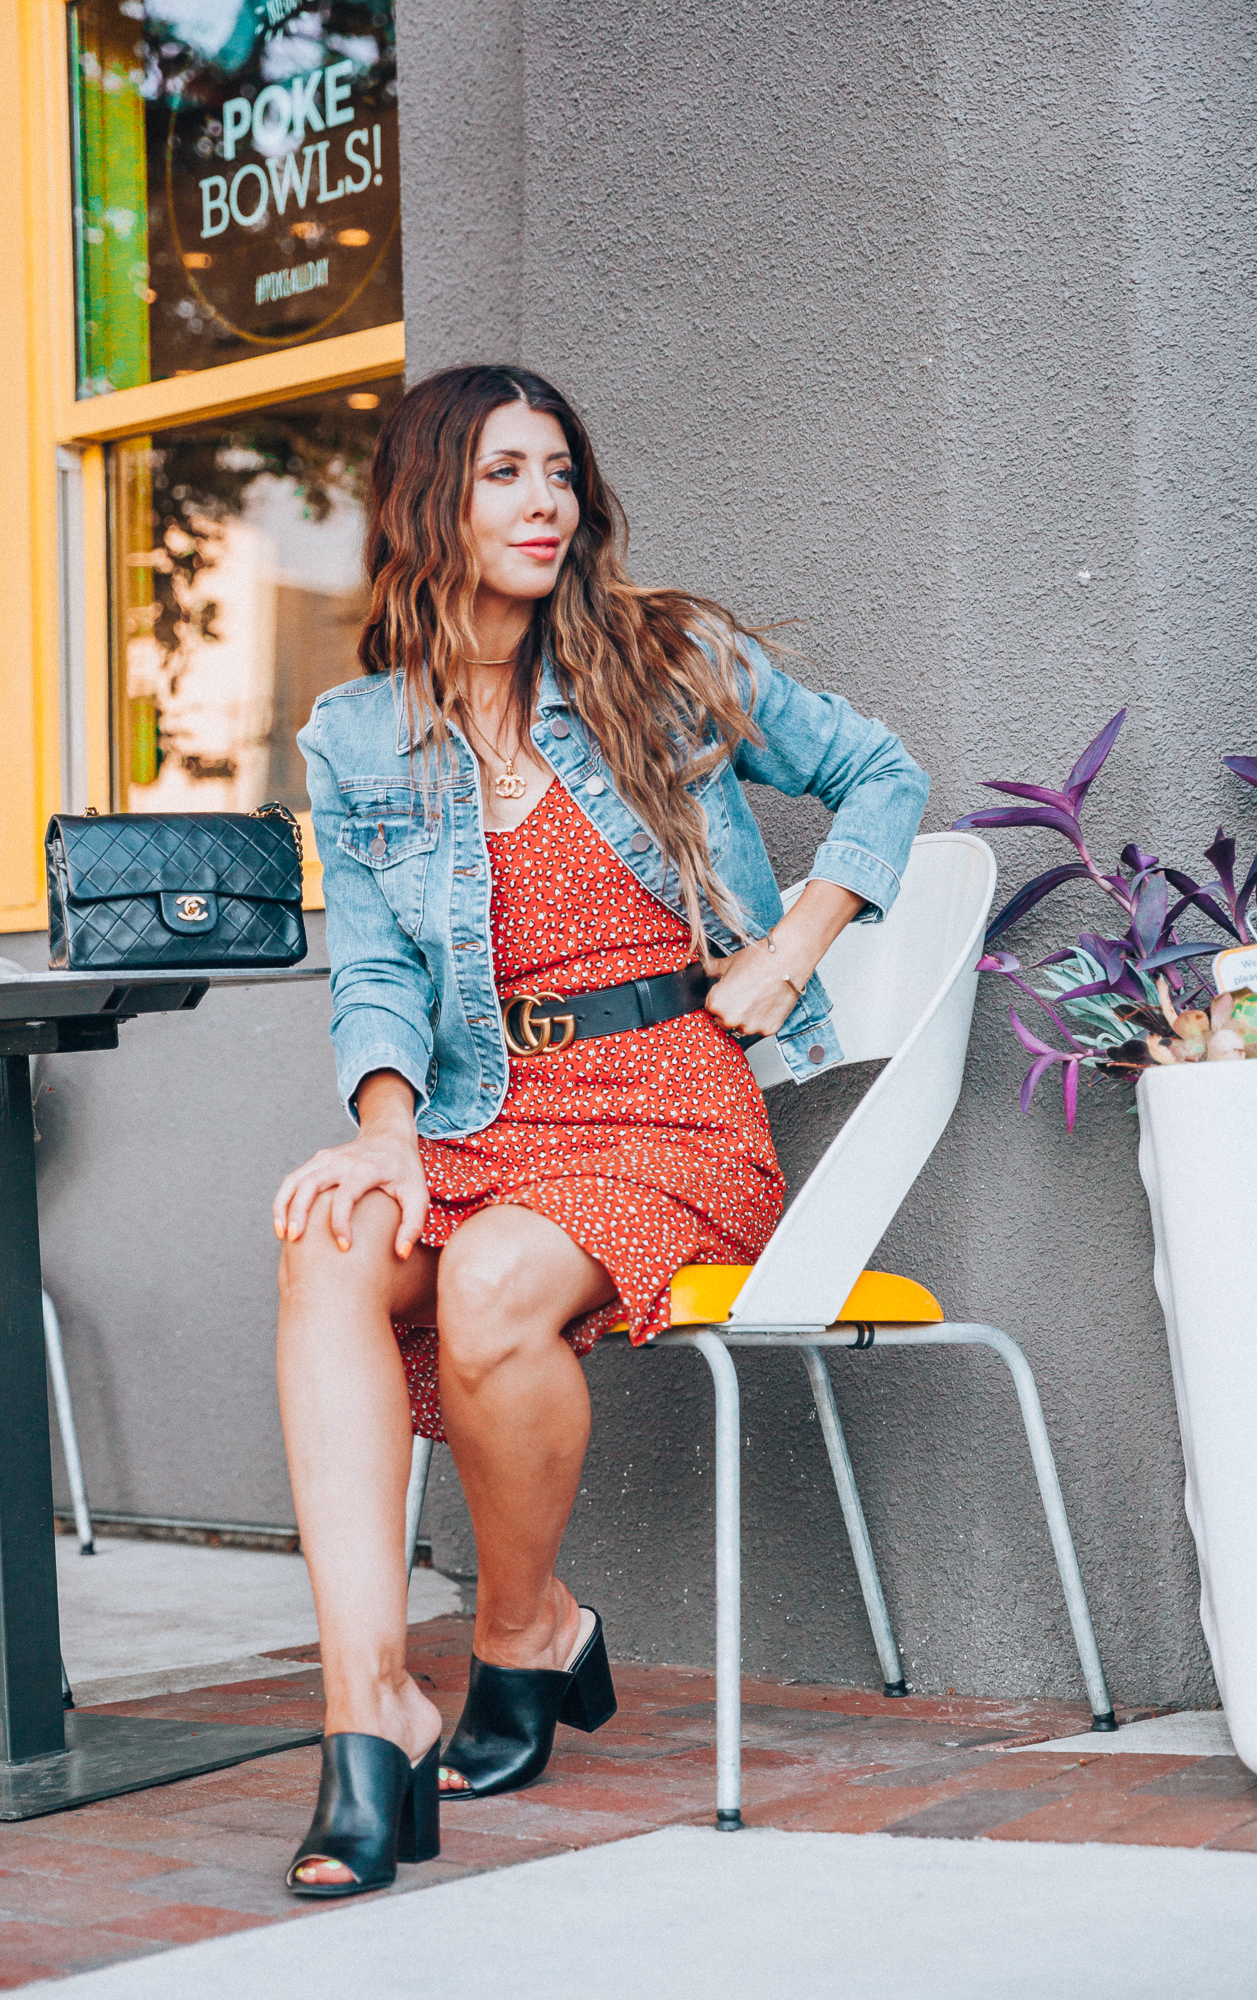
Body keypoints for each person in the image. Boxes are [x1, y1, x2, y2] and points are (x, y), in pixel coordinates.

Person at [273, 364, 929, 1897]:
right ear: (430, 500)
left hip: (668, 1103)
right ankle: (367, 1711)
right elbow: (372, 965)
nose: (542, 502)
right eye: (503, 473)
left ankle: (524, 1633)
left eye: (557, 471)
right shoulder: (357, 736)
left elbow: (877, 774)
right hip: (486, 1106)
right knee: (326, 1230)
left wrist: (793, 943)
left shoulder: (661, 656)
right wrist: (381, 1130)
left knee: (493, 1279)